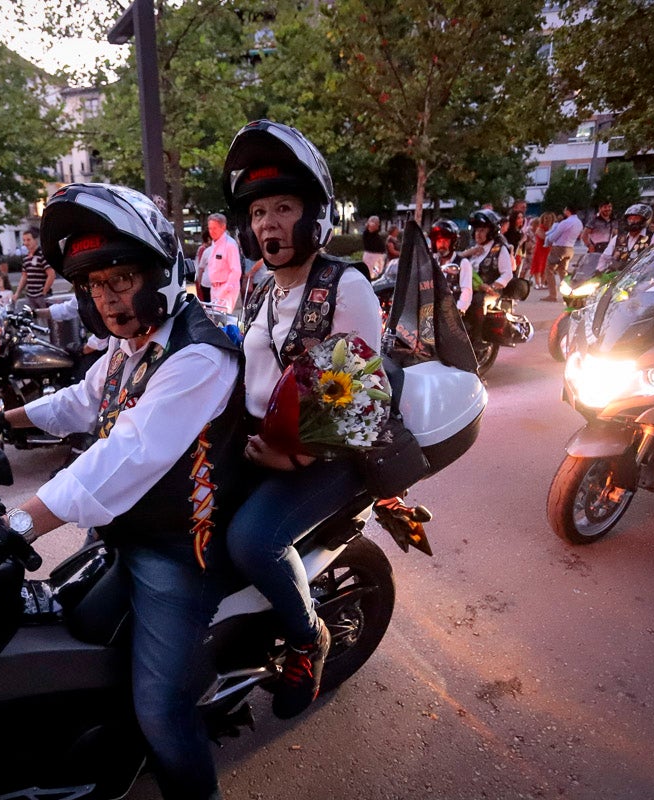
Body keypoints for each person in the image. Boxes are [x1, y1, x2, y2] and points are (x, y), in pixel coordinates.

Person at [0, 183, 246, 800]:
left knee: (161, 712)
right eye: (95, 285)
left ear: (160, 271)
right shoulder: (130, 347)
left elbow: (121, 458)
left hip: (183, 553)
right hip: (130, 535)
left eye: (121, 277)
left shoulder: (196, 356)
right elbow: (80, 402)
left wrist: (12, 528)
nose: (108, 297)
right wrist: (1, 421)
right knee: (73, 634)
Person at [224, 120, 384, 720]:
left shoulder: (346, 287)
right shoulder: (262, 291)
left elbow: (360, 405)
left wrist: (295, 457)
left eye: (283, 207)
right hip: (265, 443)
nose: (268, 223)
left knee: (252, 539)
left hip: (330, 458)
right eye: (259, 211)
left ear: (314, 216)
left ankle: (306, 637)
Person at [464, 209, 516, 343]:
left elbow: (507, 273)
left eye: (482, 230)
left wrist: (492, 286)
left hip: (491, 291)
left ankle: (477, 338)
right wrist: (469, 252)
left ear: (490, 231)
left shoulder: (499, 249)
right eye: (476, 230)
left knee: (477, 300)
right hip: (469, 287)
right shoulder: (473, 248)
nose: (478, 234)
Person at [596, 203, 654, 280]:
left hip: (641, 282)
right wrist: (599, 273)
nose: (632, 221)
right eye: (630, 218)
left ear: (645, 220)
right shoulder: (618, 238)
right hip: (616, 281)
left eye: (636, 218)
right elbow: (605, 258)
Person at [542, 204, 584, 301]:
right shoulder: (579, 223)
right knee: (562, 271)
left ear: (567, 211)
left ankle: (552, 295)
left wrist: (548, 240)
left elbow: (554, 236)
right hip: (570, 248)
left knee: (549, 270)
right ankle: (568, 294)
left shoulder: (566, 222)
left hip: (560, 247)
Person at [432, 220, 474, 313]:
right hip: (431, 313)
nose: (441, 244)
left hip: (451, 314)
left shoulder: (463, 263)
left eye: (445, 240)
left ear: (453, 241)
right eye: (439, 240)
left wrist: (458, 311)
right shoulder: (432, 262)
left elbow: (466, 291)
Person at [204, 212, 242, 312]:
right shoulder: (213, 244)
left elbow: (236, 270)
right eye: (210, 228)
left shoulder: (230, 244)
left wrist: (226, 289)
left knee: (222, 321)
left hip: (226, 290)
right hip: (214, 289)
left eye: (214, 228)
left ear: (223, 227)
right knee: (215, 320)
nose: (211, 232)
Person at [12, 226, 56, 311]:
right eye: (24, 240)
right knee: (34, 319)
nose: (26, 243)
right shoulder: (26, 258)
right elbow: (24, 277)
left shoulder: (42, 255)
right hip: (30, 295)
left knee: (47, 319)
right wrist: (17, 293)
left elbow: (51, 274)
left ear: (35, 240)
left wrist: (44, 291)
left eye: (28, 240)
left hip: (41, 295)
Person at [528, 212, 556, 289]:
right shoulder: (540, 228)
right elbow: (544, 237)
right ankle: (537, 283)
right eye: (546, 218)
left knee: (545, 266)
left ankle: (543, 283)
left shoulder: (552, 229)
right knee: (538, 266)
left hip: (548, 250)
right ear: (542, 219)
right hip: (540, 250)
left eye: (549, 218)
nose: (547, 220)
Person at [192, 228, 212, 302]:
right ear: (208, 239)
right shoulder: (203, 249)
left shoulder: (204, 249)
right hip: (201, 278)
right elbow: (201, 266)